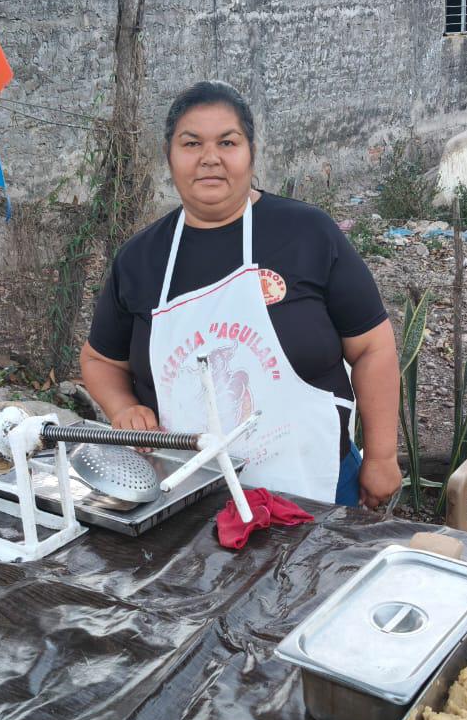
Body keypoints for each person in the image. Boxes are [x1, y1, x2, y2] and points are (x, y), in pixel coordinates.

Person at [79, 81, 401, 510]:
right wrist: (122, 408)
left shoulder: (306, 233)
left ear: (250, 152)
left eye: (227, 142)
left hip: (316, 485)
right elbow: (100, 360)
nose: (209, 158)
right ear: (169, 156)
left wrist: (381, 456)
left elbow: (373, 348)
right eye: (191, 143)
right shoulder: (141, 259)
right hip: (189, 493)